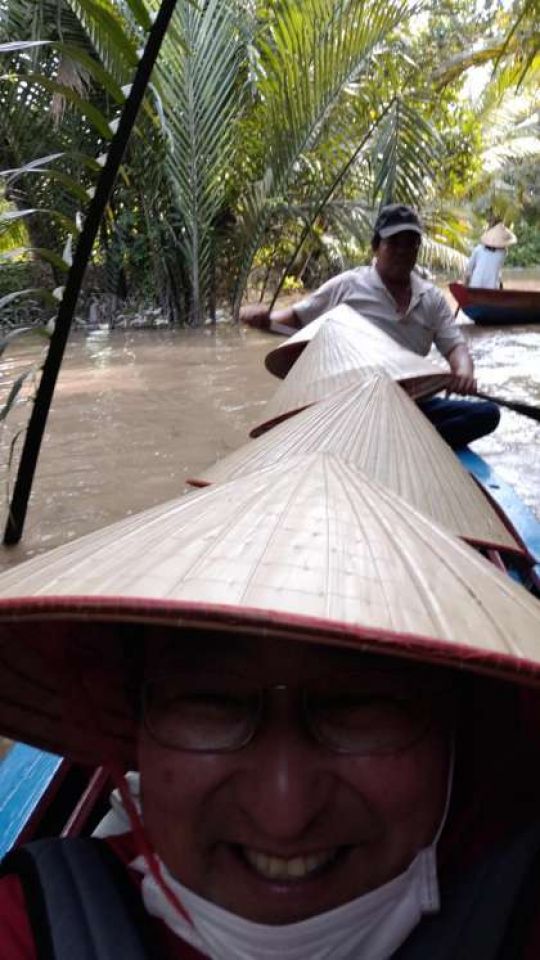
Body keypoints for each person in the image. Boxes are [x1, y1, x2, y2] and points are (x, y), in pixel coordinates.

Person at [0, 453, 540, 959]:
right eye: (211, 702)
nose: (284, 817)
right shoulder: (31, 924)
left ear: (457, 727)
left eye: (358, 705)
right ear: (133, 720)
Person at [242, 204, 500, 448]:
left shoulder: (431, 298)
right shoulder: (347, 286)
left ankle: (400, 444)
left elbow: (456, 347)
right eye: (394, 243)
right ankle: (406, 443)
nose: (402, 250)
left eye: (410, 244)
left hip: (411, 404)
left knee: (487, 414)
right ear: (376, 246)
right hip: (353, 405)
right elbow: (294, 319)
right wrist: (265, 318)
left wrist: (463, 373)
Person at [465, 222, 517, 290]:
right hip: (492, 287)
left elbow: (469, 268)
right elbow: (497, 270)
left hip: (475, 285)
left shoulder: (478, 249)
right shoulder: (503, 252)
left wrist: (466, 284)